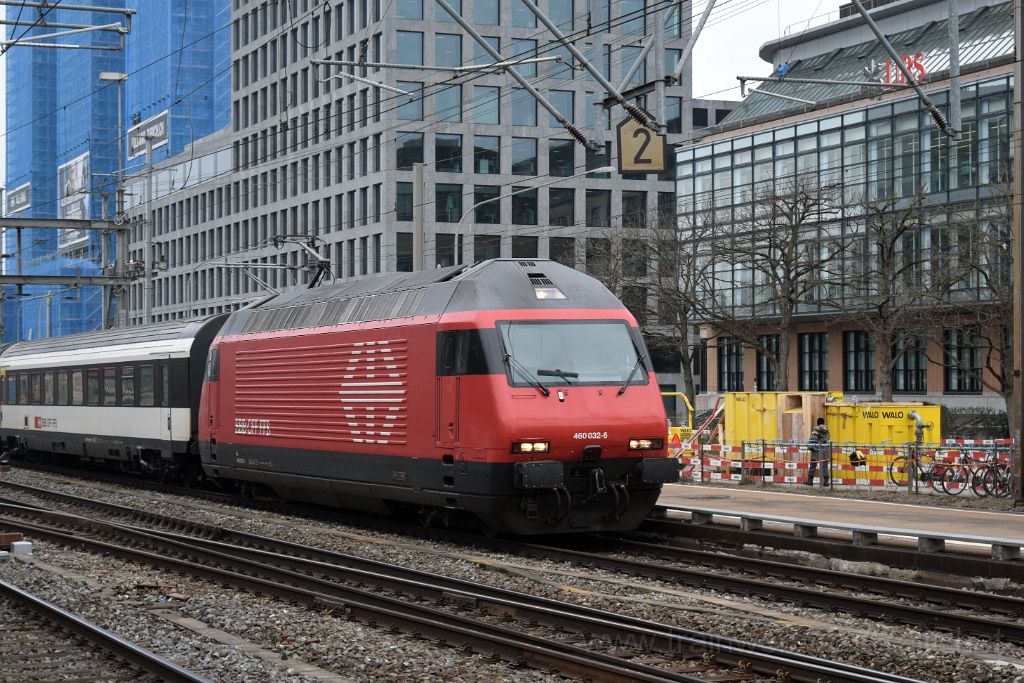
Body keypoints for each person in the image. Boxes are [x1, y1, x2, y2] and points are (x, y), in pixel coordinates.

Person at [805, 417, 830, 486]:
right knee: (825, 466)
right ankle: (826, 482)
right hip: (825, 450)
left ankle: (810, 481)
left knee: (813, 465)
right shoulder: (827, 430)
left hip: (816, 450)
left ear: (817, 422)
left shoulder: (816, 429)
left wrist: (810, 447)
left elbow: (813, 439)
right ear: (823, 423)